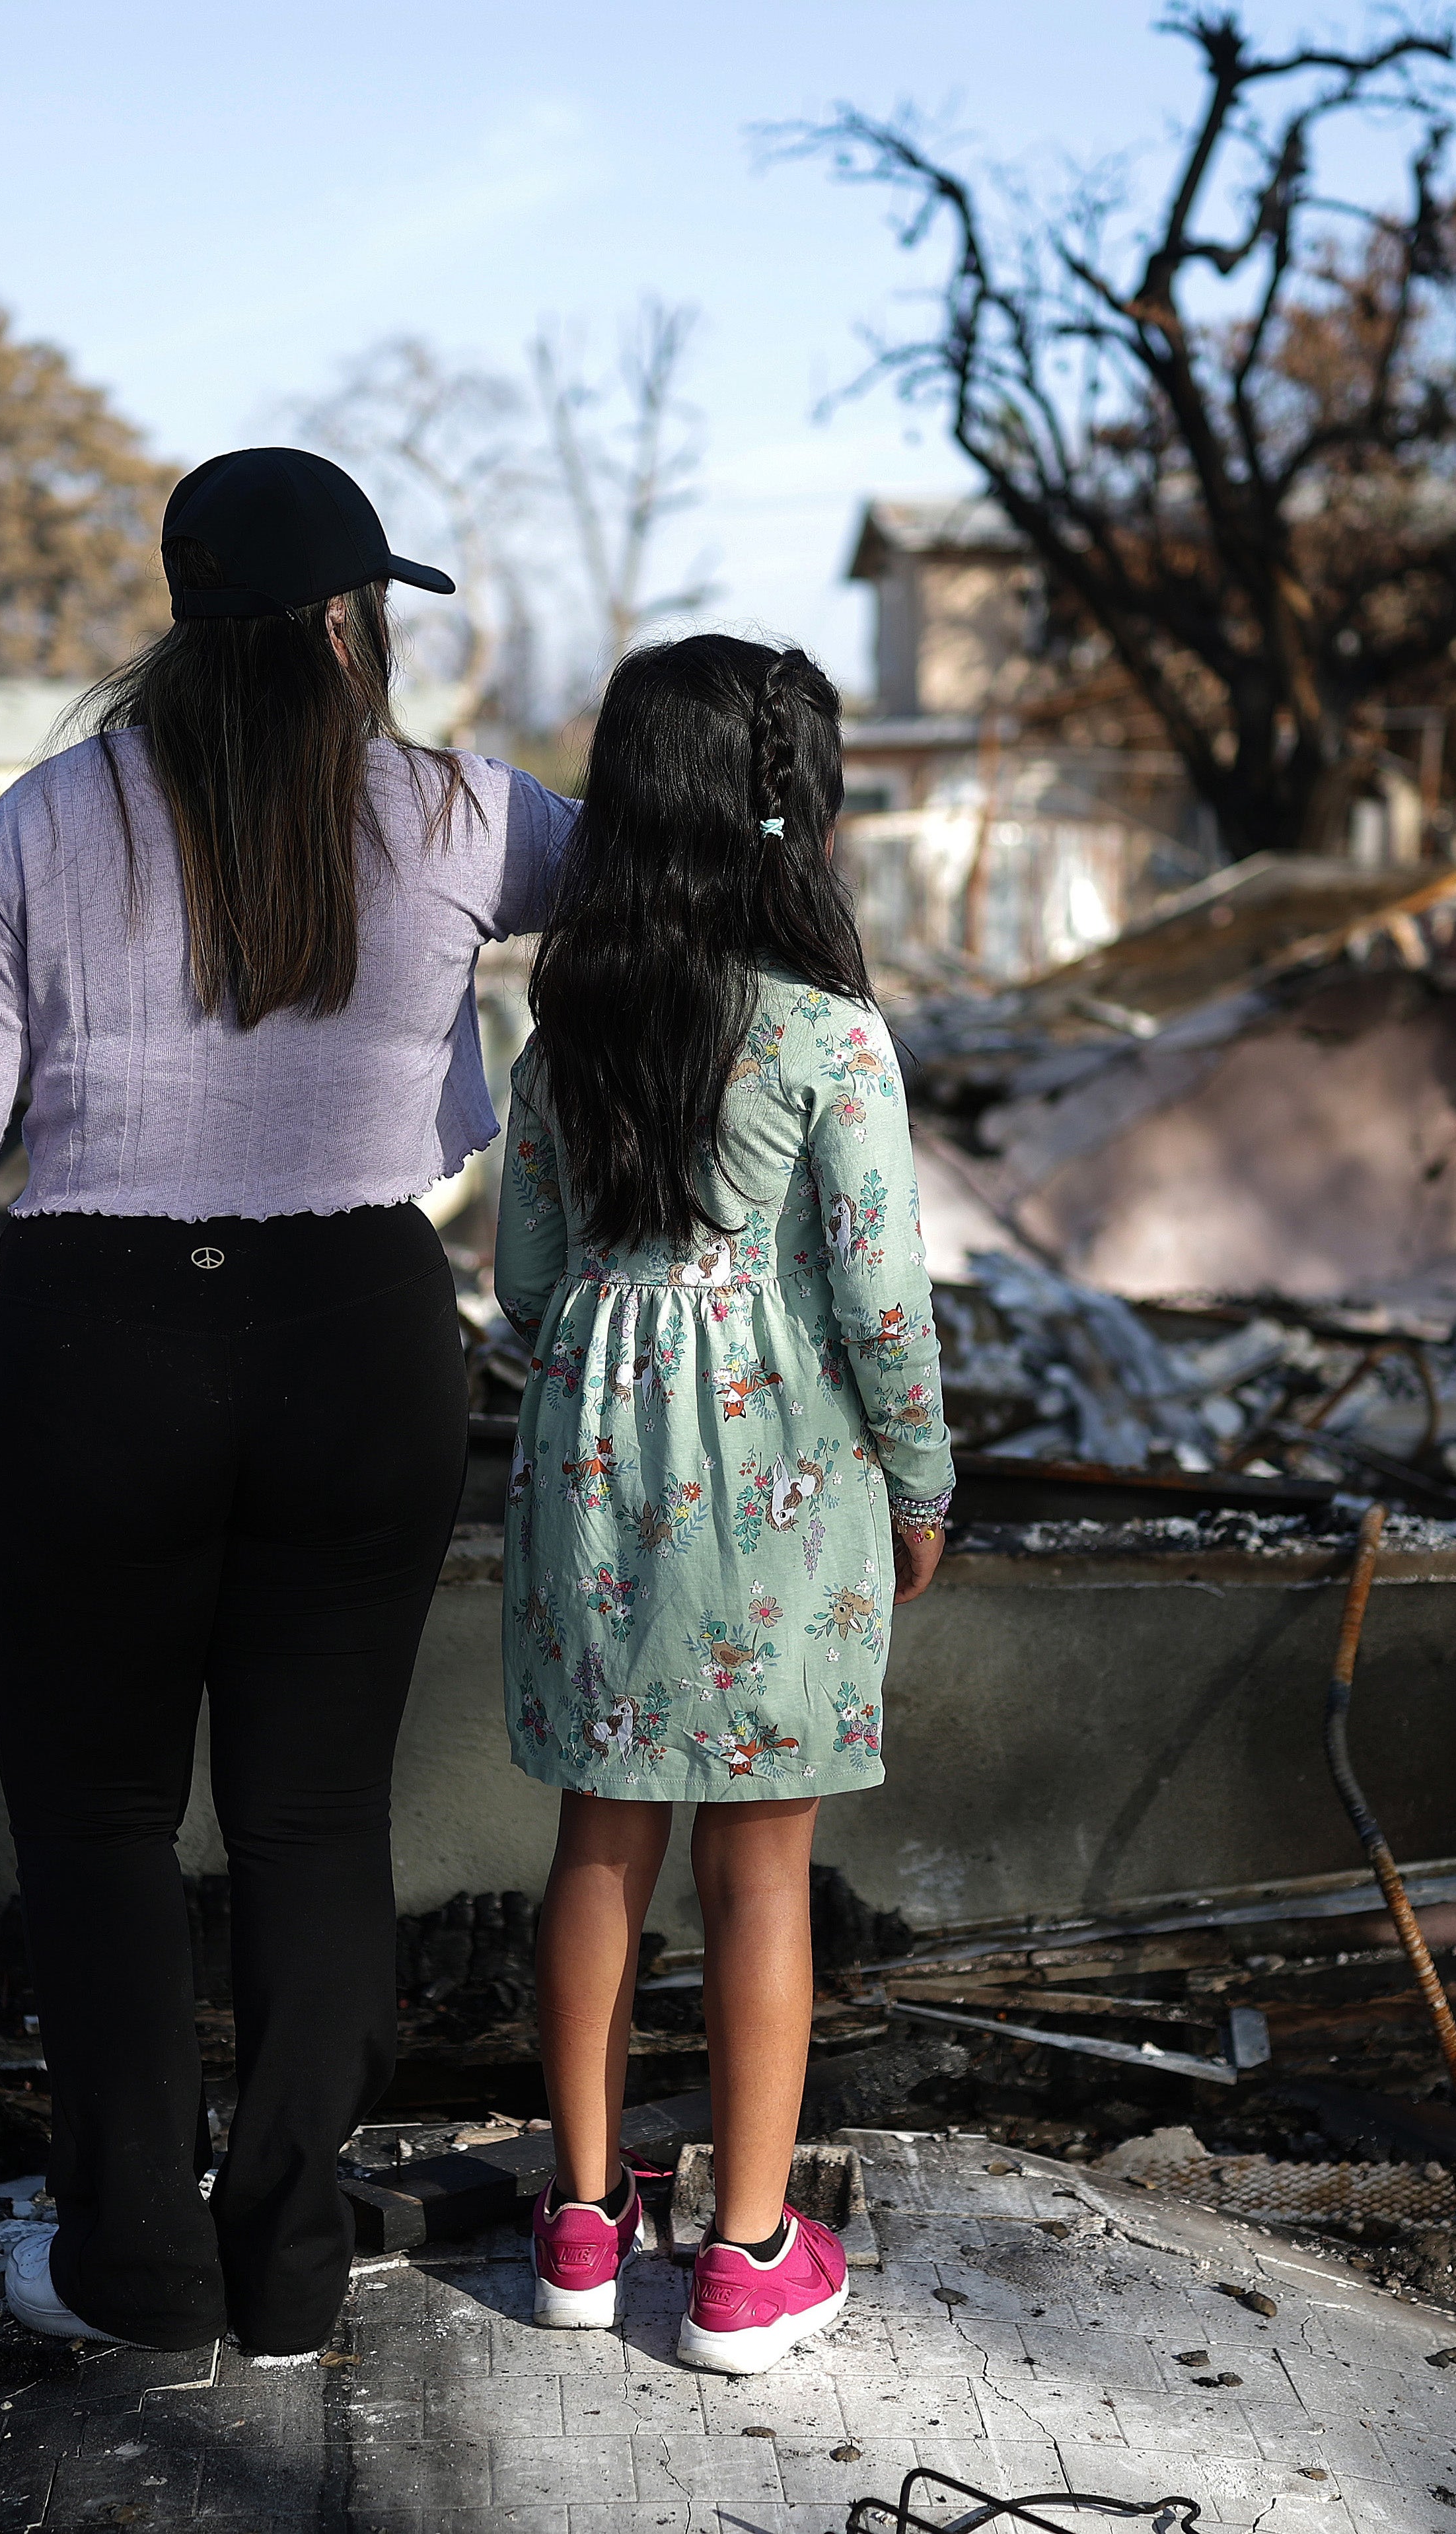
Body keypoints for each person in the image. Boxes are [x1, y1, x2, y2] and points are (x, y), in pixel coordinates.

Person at [0, 448, 572, 2358]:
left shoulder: (41, 823)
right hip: (360, 1334)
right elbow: (669, 869)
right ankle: (289, 2261)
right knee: (314, 1817)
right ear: (348, 624)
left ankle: (137, 2267)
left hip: (100, 1349)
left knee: (95, 1821)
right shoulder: (459, 813)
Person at [490, 634, 952, 2375]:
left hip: (587, 1458)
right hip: (781, 1466)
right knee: (762, 1871)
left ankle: (583, 2224)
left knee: (596, 1844)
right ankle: (750, 2258)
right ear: (793, 809)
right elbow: (878, 1299)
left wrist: (611, 1338)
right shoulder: (832, 1041)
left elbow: (525, 1287)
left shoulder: (562, 1040)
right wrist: (921, 1480)